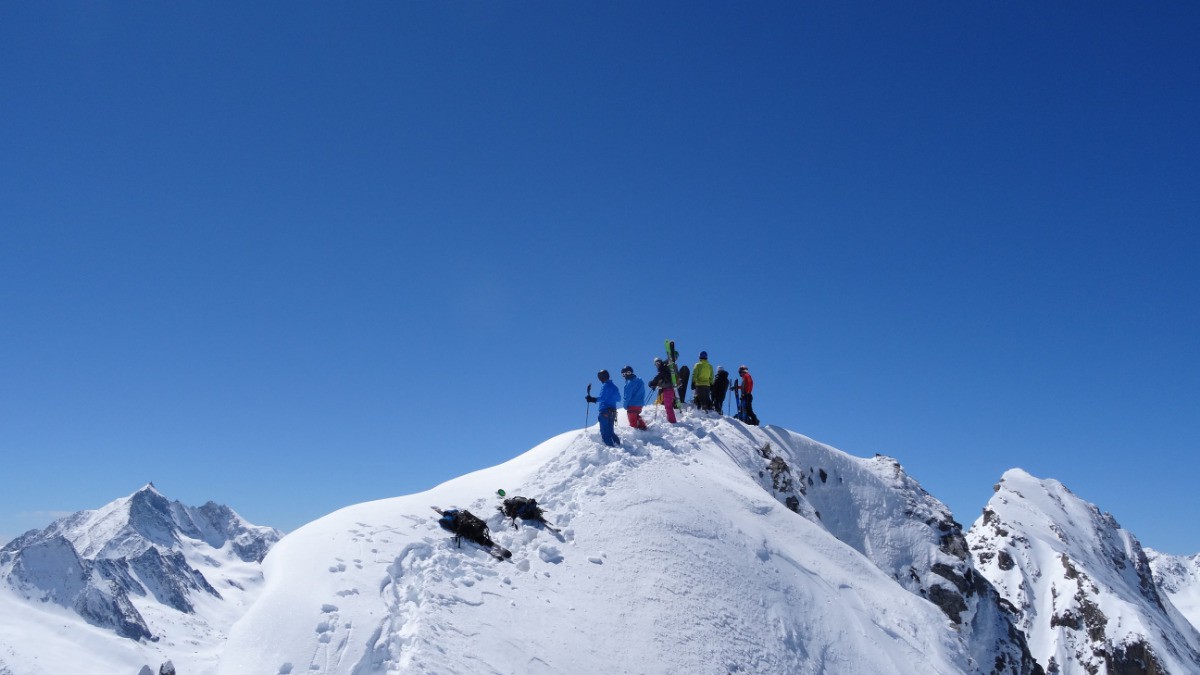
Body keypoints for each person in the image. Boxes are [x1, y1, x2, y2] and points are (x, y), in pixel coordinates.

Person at [585, 369, 622, 446]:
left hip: (605, 411)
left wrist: (592, 399)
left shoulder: (605, 386)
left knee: (605, 433)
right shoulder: (615, 387)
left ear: (601, 378)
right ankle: (619, 447)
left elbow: (602, 398)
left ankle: (611, 449)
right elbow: (619, 399)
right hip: (613, 412)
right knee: (611, 432)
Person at [648, 357, 677, 423]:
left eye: (659, 362)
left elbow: (658, 377)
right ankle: (671, 420)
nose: (658, 364)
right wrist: (654, 384)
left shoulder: (663, 369)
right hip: (667, 389)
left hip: (668, 389)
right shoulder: (663, 369)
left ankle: (672, 421)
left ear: (661, 362)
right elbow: (659, 378)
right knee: (667, 405)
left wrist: (652, 383)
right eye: (656, 363)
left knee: (668, 406)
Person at [621, 365, 648, 430]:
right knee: (636, 415)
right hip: (640, 404)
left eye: (624, 374)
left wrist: (625, 405)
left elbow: (627, 396)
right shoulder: (640, 381)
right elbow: (643, 392)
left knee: (632, 419)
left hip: (632, 405)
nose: (624, 376)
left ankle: (635, 433)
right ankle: (643, 426)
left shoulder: (629, 383)